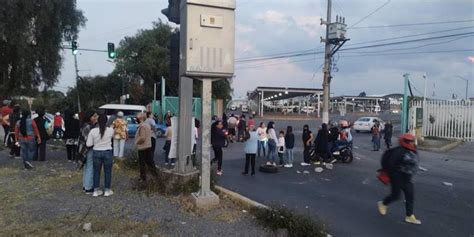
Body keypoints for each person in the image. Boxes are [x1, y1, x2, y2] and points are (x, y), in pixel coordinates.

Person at [378, 133, 422, 225]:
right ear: (403, 141)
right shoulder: (398, 151)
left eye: (411, 141)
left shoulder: (413, 150)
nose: (411, 143)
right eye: (408, 141)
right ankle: (383, 203)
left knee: (410, 196)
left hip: (408, 177)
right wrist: (393, 176)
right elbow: (391, 164)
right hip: (398, 177)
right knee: (396, 195)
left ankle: (409, 216)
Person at [86, 113, 114, 197]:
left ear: (97, 121)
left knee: (96, 172)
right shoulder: (111, 130)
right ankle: (107, 190)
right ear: (106, 121)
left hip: (96, 152)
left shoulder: (93, 131)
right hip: (108, 152)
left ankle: (96, 190)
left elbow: (88, 144)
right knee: (108, 172)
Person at [135, 112, 159, 181]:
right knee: (149, 162)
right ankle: (156, 176)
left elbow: (142, 137)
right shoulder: (147, 125)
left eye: (137, 116)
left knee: (142, 163)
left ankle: (143, 178)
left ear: (141, 118)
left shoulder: (142, 126)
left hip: (142, 147)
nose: (136, 118)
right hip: (148, 145)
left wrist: (137, 142)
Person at [81, 111, 98, 194]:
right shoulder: (89, 127)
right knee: (90, 167)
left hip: (83, 149)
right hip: (89, 148)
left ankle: (85, 185)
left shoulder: (84, 125)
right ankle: (88, 187)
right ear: (89, 117)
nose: (95, 118)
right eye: (94, 116)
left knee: (86, 167)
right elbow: (88, 139)